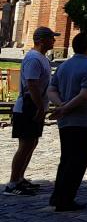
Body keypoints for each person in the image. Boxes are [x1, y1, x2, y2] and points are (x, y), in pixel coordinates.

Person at [47, 31, 87, 211]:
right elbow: (85, 95)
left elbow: (51, 89)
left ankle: (58, 196)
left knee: (66, 159)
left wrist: (62, 105)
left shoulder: (65, 66)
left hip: (67, 121)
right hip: (83, 121)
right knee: (77, 161)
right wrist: (65, 107)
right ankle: (66, 199)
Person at [6, 26, 57, 196]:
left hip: (35, 106)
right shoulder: (33, 59)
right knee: (25, 144)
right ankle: (13, 182)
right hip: (28, 106)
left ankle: (20, 177)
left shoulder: (41, 58)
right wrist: (40, 108)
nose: (54, 41)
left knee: (32, 143)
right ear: (41, 40)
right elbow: (31, 84)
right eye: (51, 38)